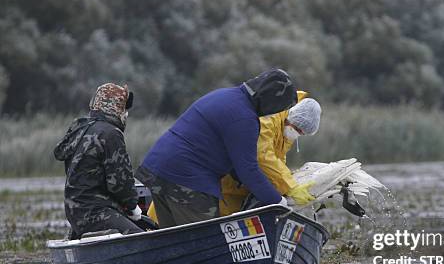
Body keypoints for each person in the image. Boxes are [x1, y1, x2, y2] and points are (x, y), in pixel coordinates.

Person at [136, 68, 298, 228]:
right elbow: (248, 170)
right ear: (272, 101)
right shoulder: (244, 118)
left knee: (171, 241)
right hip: (188, 179)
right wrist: (277, 201)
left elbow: (235, 164)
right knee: (205, 241)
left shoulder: (225, 95)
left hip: (157, 169)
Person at [54, 83, 142, 239]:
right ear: (113, 107)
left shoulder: (80, 128)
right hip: (97, 211)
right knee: (140, 237)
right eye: (123, 108)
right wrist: (133, 206)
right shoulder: (111, 134)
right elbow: (120, 184)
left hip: (75, 212)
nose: (126, 113)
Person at [219, 95, 322, 216]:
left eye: (302, 134)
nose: (298, 134)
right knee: (225, 221)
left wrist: (282, 186)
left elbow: (279, 159)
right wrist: (290, 186)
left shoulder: (289, 124)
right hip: (230, 182)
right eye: (298, 130)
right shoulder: (270, 117)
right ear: (292, 115)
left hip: (250, 185)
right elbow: (263, 155)